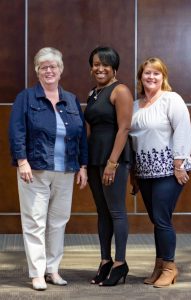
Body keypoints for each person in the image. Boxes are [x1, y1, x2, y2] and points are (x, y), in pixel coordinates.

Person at [9, 47, 88, 291]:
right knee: (35, 222)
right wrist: (22, 160)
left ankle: (53, 269)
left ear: (61, 70)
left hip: (66, 170)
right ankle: (37, 273)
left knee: (58, 222)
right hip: (36, 170)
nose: (49, 70)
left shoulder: (71, 99)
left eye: (53, 66)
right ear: (37, 71)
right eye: (44, 66)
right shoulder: (26, 97)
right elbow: (16, 131)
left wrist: (83, 165)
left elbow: (81, 135)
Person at [129, 57, 191, 288]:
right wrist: (134, 174)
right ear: (141, 77)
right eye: (147, 73)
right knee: (157, 220)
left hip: (169, 170)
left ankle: (169, 267)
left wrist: (179, 165)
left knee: (161, 219)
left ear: (163, 77)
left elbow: (183, 130)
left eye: (156, 73)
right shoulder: (135, 105)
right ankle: (159, 266)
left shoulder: (171, 99)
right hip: (145, 172)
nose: (151, 77)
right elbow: (133, 140)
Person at [84, 46, 133, 286]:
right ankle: (105, 260)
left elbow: (124, 128)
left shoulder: (120, 90)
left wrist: (112, 163)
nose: (99, 68)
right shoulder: (93, 93)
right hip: (95, 158)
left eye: (105, 64)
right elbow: (91, 128)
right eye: (95, 64)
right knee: (102, 212)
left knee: (116, 211)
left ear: (114, 67)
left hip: (113, 158)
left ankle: (120, 263)